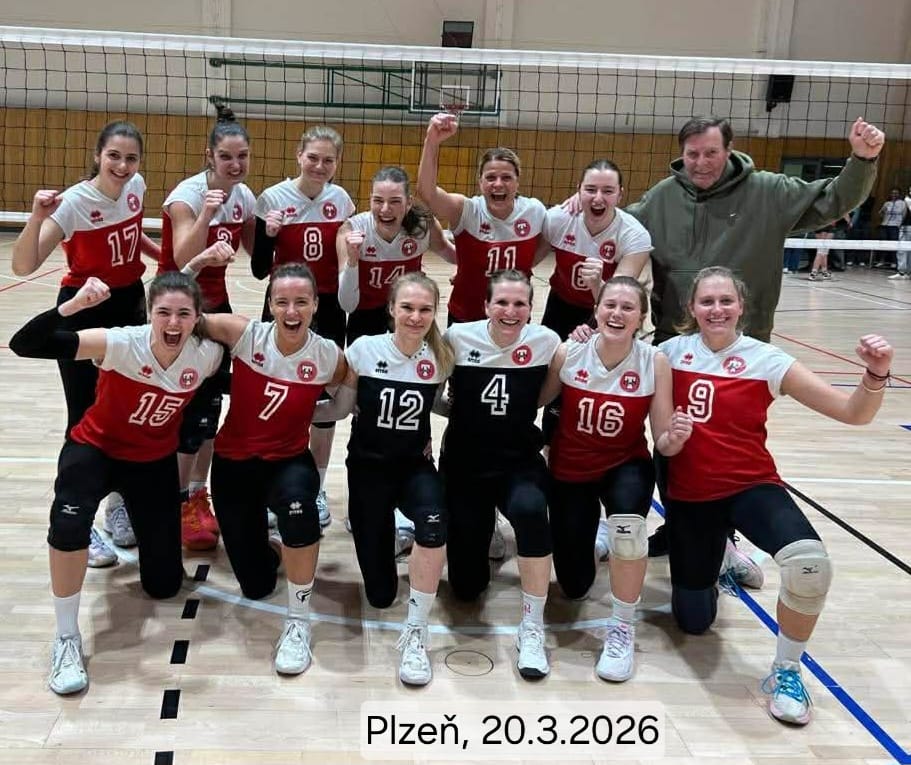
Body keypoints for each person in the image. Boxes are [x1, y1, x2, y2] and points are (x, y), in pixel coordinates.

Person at [625, 114, 885, 556]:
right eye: (692, 155)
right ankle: (679, 524)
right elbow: (621, 226)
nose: (701, 163)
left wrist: (862, 159)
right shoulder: (662, 197)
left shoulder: (770, 191)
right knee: (671, 439)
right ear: (682, 155)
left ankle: (725, 534)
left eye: (711, 153)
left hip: (743, 349)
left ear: (728, 151)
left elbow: (835, 199)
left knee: (728, 441)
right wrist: (581, 204)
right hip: (674, 344)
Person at [660, 266, 893, 726]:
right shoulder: (668, 354)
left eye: (726, 300)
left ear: (741, 306)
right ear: (691, 308)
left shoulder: (767, 360)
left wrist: (875, 374)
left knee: (810, 566)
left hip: (751, 486)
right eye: (707, 301)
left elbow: (853, 414)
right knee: (693, 622)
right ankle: (722, 553)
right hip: (691, 496)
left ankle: (787, 669)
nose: (717, 309)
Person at [9, 267, 225, 695]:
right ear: (149, 313)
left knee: (164, 586)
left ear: (197, 318)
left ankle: (124, 512)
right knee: (68, 523)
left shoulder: (208, 356)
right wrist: (71, 308)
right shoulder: (121, 343)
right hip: (96, 450)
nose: (173, 323)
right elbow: (24, 344)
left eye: (184, 314)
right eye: (164, 313)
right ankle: (67, 637)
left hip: (151, 463)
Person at [11, 120, 163, 565]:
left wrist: (164, 257)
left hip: (129, 304)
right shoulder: (74, 203)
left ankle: (117, 507)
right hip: (84, 308)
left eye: (131, 158)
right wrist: (37, 216)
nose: (122, 165)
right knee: (84, 416)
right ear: (98, 155)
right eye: (114, 156)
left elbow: (131, 234)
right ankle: (79, 519)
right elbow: (23, 265)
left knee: (126, 409)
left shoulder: (136, 187)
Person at [539, 276, 690, 682]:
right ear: (596, 309)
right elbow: (536, 401)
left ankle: (622, 626)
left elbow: (662, 438)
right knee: (573, 586)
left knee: (629, 529)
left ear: (642, 317)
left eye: (628, 307)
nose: (617, 313)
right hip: (570, 468)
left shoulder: (654, 360)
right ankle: (599, 540)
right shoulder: (569, 352)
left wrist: (674, 439)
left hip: (625, 464)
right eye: (610, 305)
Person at [201, 260, 347, 676]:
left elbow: (345, 400)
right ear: (269, 305)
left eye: (301, 302)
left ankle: (298, 620)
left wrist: (316, 412)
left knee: (300, 514)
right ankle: (274, 547)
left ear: (316, 305)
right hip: (233, 464)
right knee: (256, 586)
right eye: (281, 302)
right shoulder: (245, 335)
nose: (291, 311)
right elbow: (182, 319)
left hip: (289, 461)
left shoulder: (328, 355)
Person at [314, 273, 453, 687]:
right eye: (407, 307)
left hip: (414, 468)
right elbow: (340, 409)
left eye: (425, 309)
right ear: (391, 308)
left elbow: (439, 405)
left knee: (434, 523)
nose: (415, 317)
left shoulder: (440, 357)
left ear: (435, 313)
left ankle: (416, 629)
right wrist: (293, 413)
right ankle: (395, 538)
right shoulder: (363, 349)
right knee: (379, 595)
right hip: (368, 469)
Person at [438, 270, 560, 678]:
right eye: (502, 302)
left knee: (531, 511)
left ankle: (532, 625)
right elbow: (432, 390)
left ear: (531, 307)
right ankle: (483, 525)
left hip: (517, 461)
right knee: (466, 588)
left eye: (520, 303)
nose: (511, 311)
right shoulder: (458, 337)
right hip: (466, 463)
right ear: (486, 305)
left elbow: (548, 392)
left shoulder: (546, 342)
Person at [158, 105, 256, 551]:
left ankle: (197, 494)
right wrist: (206, 215)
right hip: (177, 306)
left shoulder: (244, 196)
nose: (235, 165)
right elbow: (182, 258)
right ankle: (175, 500)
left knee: (211, 407)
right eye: (226, 157)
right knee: (185, 405)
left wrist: (272, 228)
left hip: (216, 306)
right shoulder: (188, 195)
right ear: (209, 156)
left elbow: (258, 257)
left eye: (242, 156)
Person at [252, 126, 355, 529]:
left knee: (323, 396)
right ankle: (270, 483)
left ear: (337, 163)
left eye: (328, 160)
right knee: (275, 392)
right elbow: (259, 268)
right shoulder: (272, 198)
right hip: (284, 307)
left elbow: (346, 262)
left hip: (326, 308)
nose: (319, 166)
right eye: (313, 157)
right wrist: (269, 234)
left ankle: (316, 488)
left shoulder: (341, 200)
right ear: (299, 155)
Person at [417, 112, 546, 323]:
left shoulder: (534, 211)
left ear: (517, 182)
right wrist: (431, 140)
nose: (498, 184)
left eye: (506, 177)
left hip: (513, 318)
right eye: (491, 177)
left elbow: (550, 241)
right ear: (480, 182)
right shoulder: (467, 210)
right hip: (466, 316)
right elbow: (427, 194)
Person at [337, 166, 454, 345]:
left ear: (409, 203)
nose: (385, 209)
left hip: (409, 309)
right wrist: (352, 261)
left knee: (425, 356)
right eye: (378, 200)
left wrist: (465, 271)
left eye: (395, 201)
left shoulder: (423, 226)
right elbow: (347, 305)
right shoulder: (351, 231)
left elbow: (450, 253)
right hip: (365, 311)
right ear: (370, 200)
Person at [876, 187, 906, 270]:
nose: (894, 195)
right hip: (885, 225)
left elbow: (904, 214)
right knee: (883, 243)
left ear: (899, 194)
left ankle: (894, 262)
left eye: (896, 193)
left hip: (895, 226)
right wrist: (883, 215)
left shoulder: (902, 203)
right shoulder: (887, 203)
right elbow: (880, 212)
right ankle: (881, 261)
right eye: (892, 193)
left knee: (894, 244)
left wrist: (900, 224)